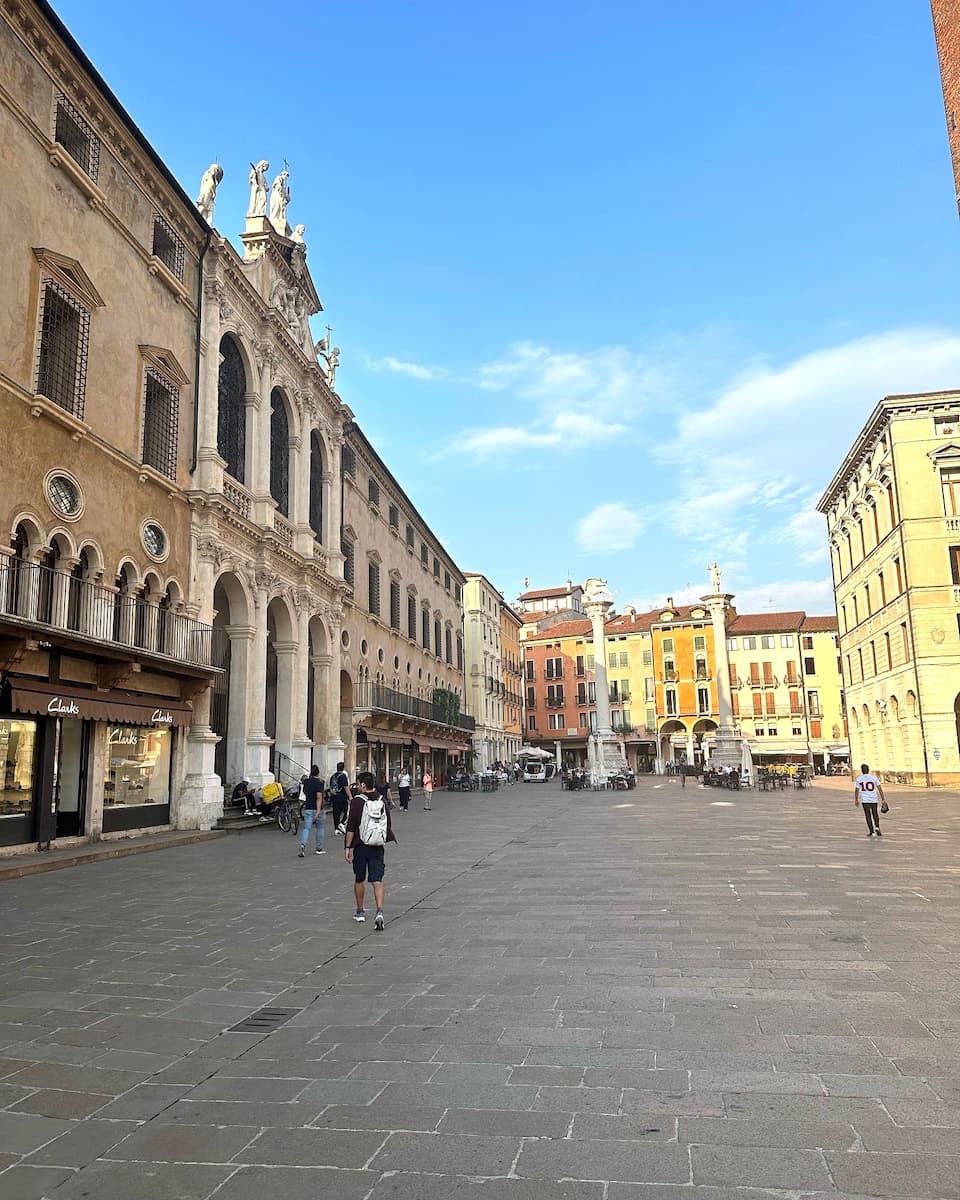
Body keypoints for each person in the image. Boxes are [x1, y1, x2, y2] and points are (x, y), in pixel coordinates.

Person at [344, 770, 396, 929]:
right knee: (377, 880)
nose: (357, 787)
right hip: (377, 845)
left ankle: (360, 912)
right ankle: (379, 911)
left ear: (363, 785)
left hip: (360, 846)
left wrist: (348, 847)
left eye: (358, 784)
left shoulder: (357, 802)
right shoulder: (382, 800)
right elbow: (388, 825)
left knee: (359, 879)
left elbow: (351, 827)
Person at [297, 765, 326, 858]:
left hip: (308, 807)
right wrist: (318, 811)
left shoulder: (306, 782)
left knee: (306, 828)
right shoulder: (319, 783)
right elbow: (319, 797)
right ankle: (319, 848)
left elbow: (305, 792)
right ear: (318, 772)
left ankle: (302, 845)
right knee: (320, 828)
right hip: (317, 808)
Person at [854, 762, 886, 837]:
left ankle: (871, 831)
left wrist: (856, 800)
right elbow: (879, 788)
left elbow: (857, 790)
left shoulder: (859, 779)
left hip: (865, 800)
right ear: (868, 770)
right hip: (873, 799)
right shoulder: (874, 777)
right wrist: (883, 799)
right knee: (875, 813)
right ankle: (877, 827)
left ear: (862, 770)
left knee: (868, 815)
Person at [329, 761, 351, 834]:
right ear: (343, 768)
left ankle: (336, 829)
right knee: (347, 811)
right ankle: (342, 823)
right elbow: (346, 787)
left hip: (334, 797)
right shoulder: (343, 776)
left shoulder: (333, 776)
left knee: (336, 813)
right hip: (342, 797)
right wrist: (350, 796)